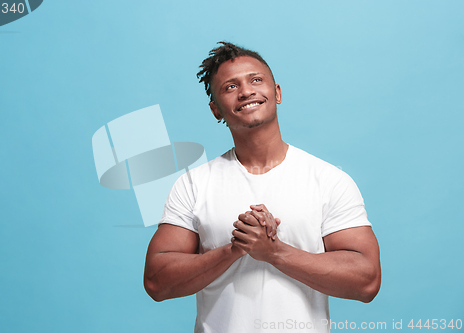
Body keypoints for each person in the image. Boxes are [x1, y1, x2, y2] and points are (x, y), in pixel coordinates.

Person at [143, 42, 381, 333]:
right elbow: (156, 281)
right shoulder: (193, 184)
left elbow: (367, 281)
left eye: (256, 80)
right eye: (230, 87)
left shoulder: (329, 179)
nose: (246, 91)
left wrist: (274, 252)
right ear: (216, 109)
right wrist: (234, 249)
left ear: (277, 93)